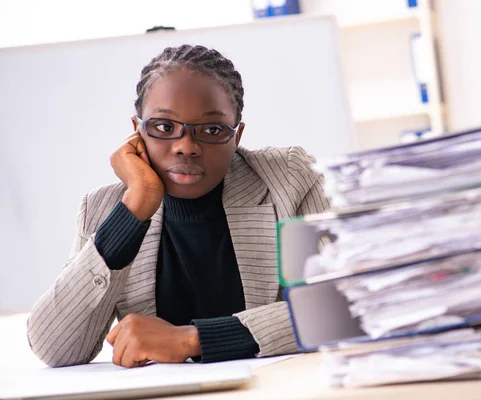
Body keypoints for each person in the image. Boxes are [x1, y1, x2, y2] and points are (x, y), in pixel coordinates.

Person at [26, 44, 329, 368]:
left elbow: (341, 305)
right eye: (164, 127)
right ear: (137, 133)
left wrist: (191, 340)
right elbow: (55, 349)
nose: (186, 147)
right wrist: (135, 207)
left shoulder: (289, 179)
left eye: (212, 130)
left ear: (236, 136)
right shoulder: (104, 209)